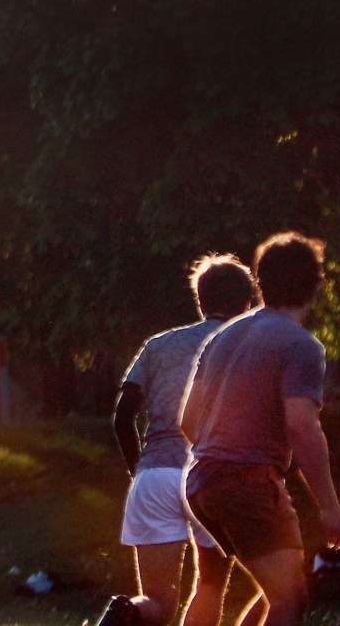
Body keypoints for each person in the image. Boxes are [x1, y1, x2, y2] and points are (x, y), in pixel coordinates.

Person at [180, 234, 340, 626]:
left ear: (260, 282)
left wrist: (223, 453)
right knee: (289, 600)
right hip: (244, 481)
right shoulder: (300, 346)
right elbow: (302, 427)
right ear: (315, 283)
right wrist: (329, 508)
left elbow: (187, 419)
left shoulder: (223, 337)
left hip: (200, 481)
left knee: (278, 592)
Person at [93, 256, 259, 626]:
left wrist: (140, 469)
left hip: (155, 476)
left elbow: (123, 415)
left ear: (200, 301)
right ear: (247, 305)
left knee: (157, 603)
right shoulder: (246, 346)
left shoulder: (159, 345)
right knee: (211, 583)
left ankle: (123, 613)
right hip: (209, 478)